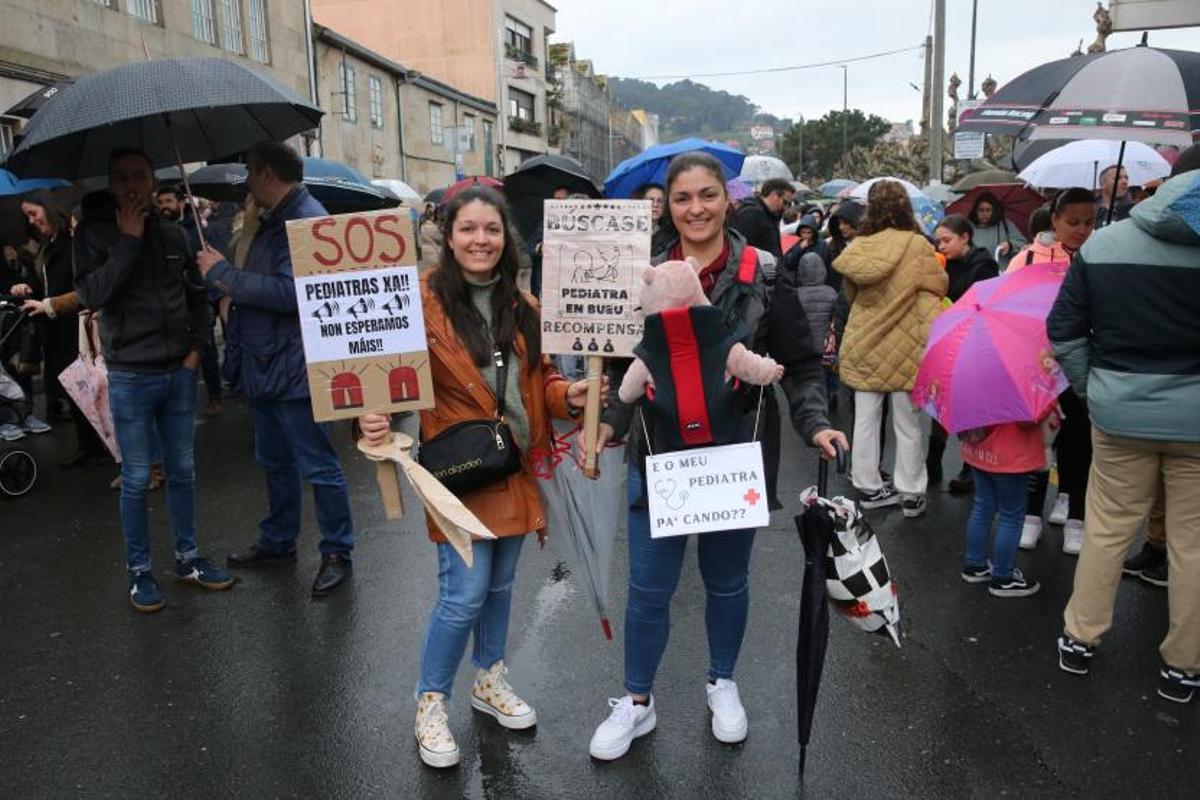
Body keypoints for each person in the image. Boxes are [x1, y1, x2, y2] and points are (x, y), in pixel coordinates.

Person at [588, 152, 846, 761]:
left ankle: (722, 682)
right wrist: (604, 423)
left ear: (727, 200)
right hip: (660, 460)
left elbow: (801, 364)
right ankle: (637, 702)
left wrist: (814, 424)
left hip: (734, 461)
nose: (696, 209)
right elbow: (626, 369)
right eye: (683, 199)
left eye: (707, 195)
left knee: (726, 583)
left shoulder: (765, 271)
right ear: (668, 205)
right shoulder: (641, 272)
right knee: (649, 589)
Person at [357, 186, 590, 768]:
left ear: (504, 237)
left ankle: (488, 680)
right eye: (468, 229)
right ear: (449, 236)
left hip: (515, 467)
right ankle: (430, 701)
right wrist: (374, 411)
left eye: (491, 230)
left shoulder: (528, 306)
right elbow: (384, 374)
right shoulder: (419, 303)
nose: (480, 240)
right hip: (459, 472)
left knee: (501, 587)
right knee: (462, 595)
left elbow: (543, 385)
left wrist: (573, 396)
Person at [1049, 154, 1200, 704]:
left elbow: (1063, 329)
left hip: (1119, 413)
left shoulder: (1104, 247)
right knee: (1194, 545)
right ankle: (1184, 665)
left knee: (1108, 529)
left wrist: (1095, 390)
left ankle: (1080, 637)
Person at [74, 147, 232, 612]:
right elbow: (91, 294)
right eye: (121, 177)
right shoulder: (94, 234)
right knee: (138, 476)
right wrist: (126, 240)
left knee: (183, 471)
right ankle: (140, 572)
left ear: (151, 181)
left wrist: (196, 351)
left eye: (139, 176)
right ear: (110, 183)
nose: (130, 185)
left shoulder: (173, 234)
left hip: (177, 371)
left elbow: (198, 297)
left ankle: (187, 558)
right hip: (129, 375)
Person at [196, 141, 355, 597]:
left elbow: (293, 293)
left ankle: (337, 551)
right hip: (267, 362)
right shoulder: (275, 216)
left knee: (318, 465)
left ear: (266, 173)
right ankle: (279, 540)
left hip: (296, 366)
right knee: (275, 461)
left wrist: (224, 274)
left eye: (248, 171)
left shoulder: (303, 218)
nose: (245, 180)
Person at [834, 179, 947, 517]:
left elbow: (851, 295)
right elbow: (938, 286)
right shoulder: (917, 245)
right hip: (907, 344)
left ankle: (868, 486)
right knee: (907, 422)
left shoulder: (859, 246)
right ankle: (911, 493)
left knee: (866, 419)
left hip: (864, 340)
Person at [1007, 188, 1096, 554]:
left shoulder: (1097, 256)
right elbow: (1007, 308)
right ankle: (1030, 515)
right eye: (1072, 222)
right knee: (1037, 442)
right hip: (1036, 364)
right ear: (1054, 219)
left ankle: (1076, 513)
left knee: (1079, 441)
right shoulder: (1027, 258)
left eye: (1089, 223)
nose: (1081, 230)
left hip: (1081, 364)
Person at [18, 191, 106, 463]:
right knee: (75, 392)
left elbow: (83, 289)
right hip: (57, 329)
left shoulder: (73, 242)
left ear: (49, 208)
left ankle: (102, 448)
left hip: (77, 327)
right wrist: (28, 288)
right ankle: (88, 447)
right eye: (27, 216)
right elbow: (47, 283)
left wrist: (50, 304)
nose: (32, 221)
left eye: (34, 213)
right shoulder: (48, 244)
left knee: (89, 392)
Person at [927, 215, 999, 487]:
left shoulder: (983, 265)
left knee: (967, 405)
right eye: (938, 241)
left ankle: (971, 466)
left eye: (947, 240)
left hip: (972, 341)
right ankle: (933, 460)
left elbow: (981, 301)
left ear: (965, 237)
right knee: (940, 402)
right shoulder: (940, 263)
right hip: (945, 338)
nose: (941, 246)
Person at [731, 177, 794, 258]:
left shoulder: (769, 215)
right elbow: (742, 251)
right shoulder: (751, 214)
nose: (786, 208)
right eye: (785, 202)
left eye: (789, 204)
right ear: (774, 195)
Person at [968, 191, 1026, 269]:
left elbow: (1023, 243)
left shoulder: (1005, 225)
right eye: (981, 210)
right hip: (977, 272)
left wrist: (1010, 245)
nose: (984, 214)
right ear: (976, 211)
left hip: (1001, 272)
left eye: (988, 210)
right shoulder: (969, 227)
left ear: (994, 211)